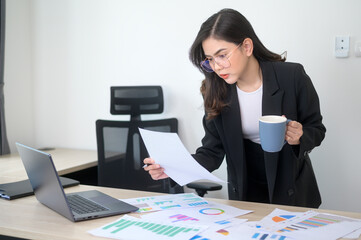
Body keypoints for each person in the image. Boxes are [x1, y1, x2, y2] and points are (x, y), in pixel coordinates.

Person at [144, 8, 326, 208]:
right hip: (246, 189)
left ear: (247, 47)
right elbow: (212, 152)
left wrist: (300, 136)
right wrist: (173, 169)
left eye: (222, 55)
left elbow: (316, 129)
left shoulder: (291, 76)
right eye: (210, 59)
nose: (217, 66)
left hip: (291, 186)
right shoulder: (215, 90)